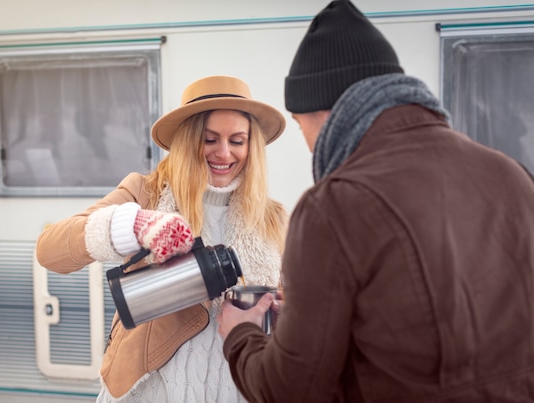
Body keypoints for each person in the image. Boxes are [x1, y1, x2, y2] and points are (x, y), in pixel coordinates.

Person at [217, 1, 534, 402]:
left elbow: (291, 389)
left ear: (322, 110)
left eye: (300, 125)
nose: (308, 144)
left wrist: (241, 334)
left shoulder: (332, 205)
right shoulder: (513, 175)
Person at [36, 75, 288, 402]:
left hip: (238, 387)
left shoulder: (274, 218)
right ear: (187, 140)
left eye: (237, 141)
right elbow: (50, 250)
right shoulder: (147, 193)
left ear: (251, 146)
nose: (224, 153)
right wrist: (134, 225)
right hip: (155, 389)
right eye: (210, 139)